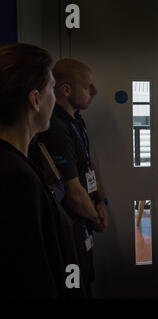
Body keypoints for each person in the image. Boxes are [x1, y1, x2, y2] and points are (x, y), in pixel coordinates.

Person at [0, 44, 81, 298]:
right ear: (35, 99)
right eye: (51, 88)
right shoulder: (15, 178)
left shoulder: (17, 163)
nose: (55, 98)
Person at [37, 59, 108, 297]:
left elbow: (88, 165)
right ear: (66, 90)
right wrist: (95, 216)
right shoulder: (54, 128)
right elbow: (73, 192)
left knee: (86, 279)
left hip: (85, 219)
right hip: (70, 226)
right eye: (89, 86)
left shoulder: (76, 120)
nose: (95, 91)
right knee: (74, 287)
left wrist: (101, 200)